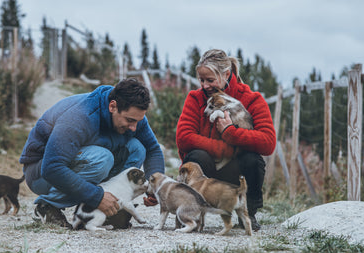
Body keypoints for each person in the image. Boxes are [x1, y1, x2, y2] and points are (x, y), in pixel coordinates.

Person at [20, 77, 164, 227]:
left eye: (137, 121)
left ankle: (109, 208)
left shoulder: (134, 117)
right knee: (103, 158)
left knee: (137, 148)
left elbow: (152, 149)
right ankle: (47, 207)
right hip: (40, 175)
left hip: (72, 165)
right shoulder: (80, 116)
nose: (134, 127)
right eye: (129, 120)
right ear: (112, 106)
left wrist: (156, 187)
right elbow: (52, 167)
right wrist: (96, 196)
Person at [175, 49, 276, 231]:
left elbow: (268, 143)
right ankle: (191, 212)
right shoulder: (195, 98)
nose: (205, 85)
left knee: (252, 160)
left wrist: (231, 133)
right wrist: (225, 149)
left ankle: (248, 213)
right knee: (196, 156)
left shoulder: (252, 100)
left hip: (234, 171)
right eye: (201, 80)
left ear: (227, 74)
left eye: (210, 80)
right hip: (206, 170)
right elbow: (184, 137)